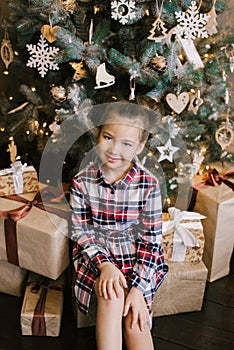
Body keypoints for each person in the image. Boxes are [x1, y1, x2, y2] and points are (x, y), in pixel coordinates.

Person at [69, 101, 168, 350]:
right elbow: (80, 231)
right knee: (111, 296)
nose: (114, 149)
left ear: (140, 145)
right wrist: (105, 265)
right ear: (98, 134)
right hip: (98, 252)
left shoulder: (149, 185)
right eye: (108, 137)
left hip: (137, 255)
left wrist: (138, 289)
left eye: (127, 143)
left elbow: (151, 241)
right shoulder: (82, 182)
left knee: (136, 318)